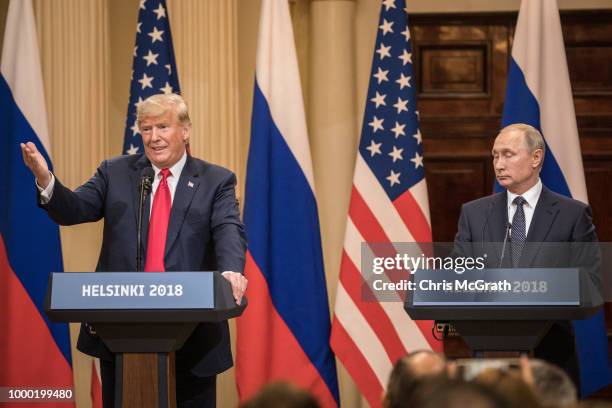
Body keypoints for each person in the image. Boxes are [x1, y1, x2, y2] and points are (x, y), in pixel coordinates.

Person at [21, 93, 247, 408]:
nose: (154, 138)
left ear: (185, 130)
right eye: (146, 128)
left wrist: (231, 270)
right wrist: (45, 179)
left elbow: (228, 229)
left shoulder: (216, 180)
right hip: (121, 335)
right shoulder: (115, 173)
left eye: (163, 127)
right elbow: (74, 210)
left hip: (193, 338)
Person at [453, 123, 602, 387]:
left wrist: (543, 286)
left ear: (536, 158)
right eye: (495, 156)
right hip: (489, 358)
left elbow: (592, 283)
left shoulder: (572, 214)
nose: (499, 164)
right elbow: (458, 278)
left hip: (552, 358)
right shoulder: (474, 214)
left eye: (508, 154)